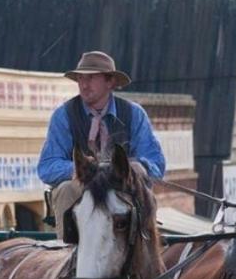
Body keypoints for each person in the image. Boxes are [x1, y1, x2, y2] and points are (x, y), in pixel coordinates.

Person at [36, 51, 166, 238]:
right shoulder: (63, 115)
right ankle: (68, 252)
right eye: (80, 78)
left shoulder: (134, 114)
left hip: (124, 187)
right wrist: (82, 168)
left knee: (145, 192)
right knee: (66, 189)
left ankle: (147, 253)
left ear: (110, 82)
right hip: (82, 188)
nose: (84, 84)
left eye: (91, 78)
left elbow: (157, 165)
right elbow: (47, 168)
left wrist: (138, 167)